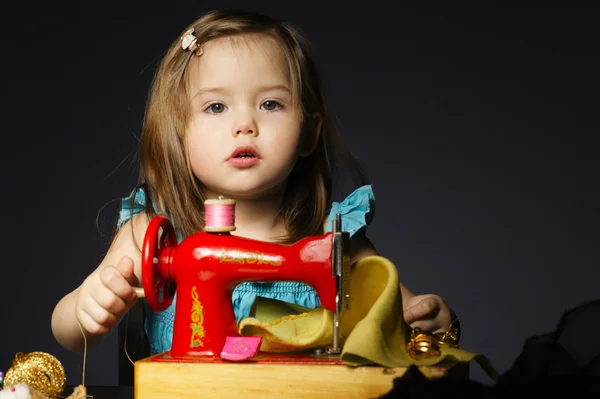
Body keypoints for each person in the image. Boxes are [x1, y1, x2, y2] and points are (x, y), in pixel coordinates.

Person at [51, 9, 455, 355]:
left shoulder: (335, 238)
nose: (245, 124)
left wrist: (431, 317)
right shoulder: (151, 236)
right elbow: (67, 333)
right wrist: (87, 307)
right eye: (216, 106)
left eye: (270, 104)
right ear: (178, 133)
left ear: (309, 133)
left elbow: (406, 319)